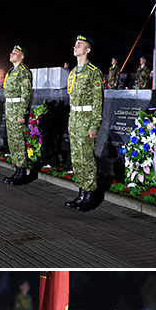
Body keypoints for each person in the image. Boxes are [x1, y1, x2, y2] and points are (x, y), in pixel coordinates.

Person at [64, 34, 103, 212]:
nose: (75, 46)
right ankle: (80, 193)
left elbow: (98, 101)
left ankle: (90, 196)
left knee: (87, 158)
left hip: (87, 121)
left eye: (80, 44)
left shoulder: (93, 71)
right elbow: (72, 100)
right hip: (76, 120)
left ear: (87, 50)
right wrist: (71, 120)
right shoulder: (73, 72)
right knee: (77, 159)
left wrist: (94, 125)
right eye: (75, 44)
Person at [3, 44, 33, 186]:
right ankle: (17, 170)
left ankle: (22, 172)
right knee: (13, 141)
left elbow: (26, 94)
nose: (11, 54)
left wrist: (21, 113)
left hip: (17, 110)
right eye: (11, 52)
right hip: (10, 109)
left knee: (19, 141)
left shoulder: (23, 71)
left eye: (15, 53)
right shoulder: (11, 71)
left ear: (22, 57)